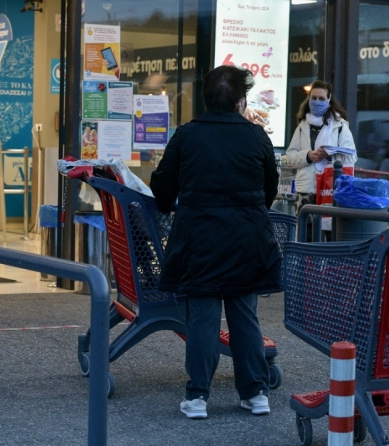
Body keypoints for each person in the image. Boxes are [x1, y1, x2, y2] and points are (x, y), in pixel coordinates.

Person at [150, 65, 281, 419]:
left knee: (203, 319)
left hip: (199, 240)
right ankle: (256, 394)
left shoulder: (187, 136)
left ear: (206, 100)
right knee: (245, 316)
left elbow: (162, 188)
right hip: (247, 240)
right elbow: (269, 190)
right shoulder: (257, 137)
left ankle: (197, 398)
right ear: (241, 100)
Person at [285, 80, 357, 233]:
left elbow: (352, 157)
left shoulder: (340, 127)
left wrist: (330, 156)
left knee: (330, 233)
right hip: (307, 190)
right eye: (314, 98)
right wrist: (307, 156)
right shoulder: (302, 126)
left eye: (321, 99)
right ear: (309, 99)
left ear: (329, 100)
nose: (317, 102)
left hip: (330, 189)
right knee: (306, 234)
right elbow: (290, 156)